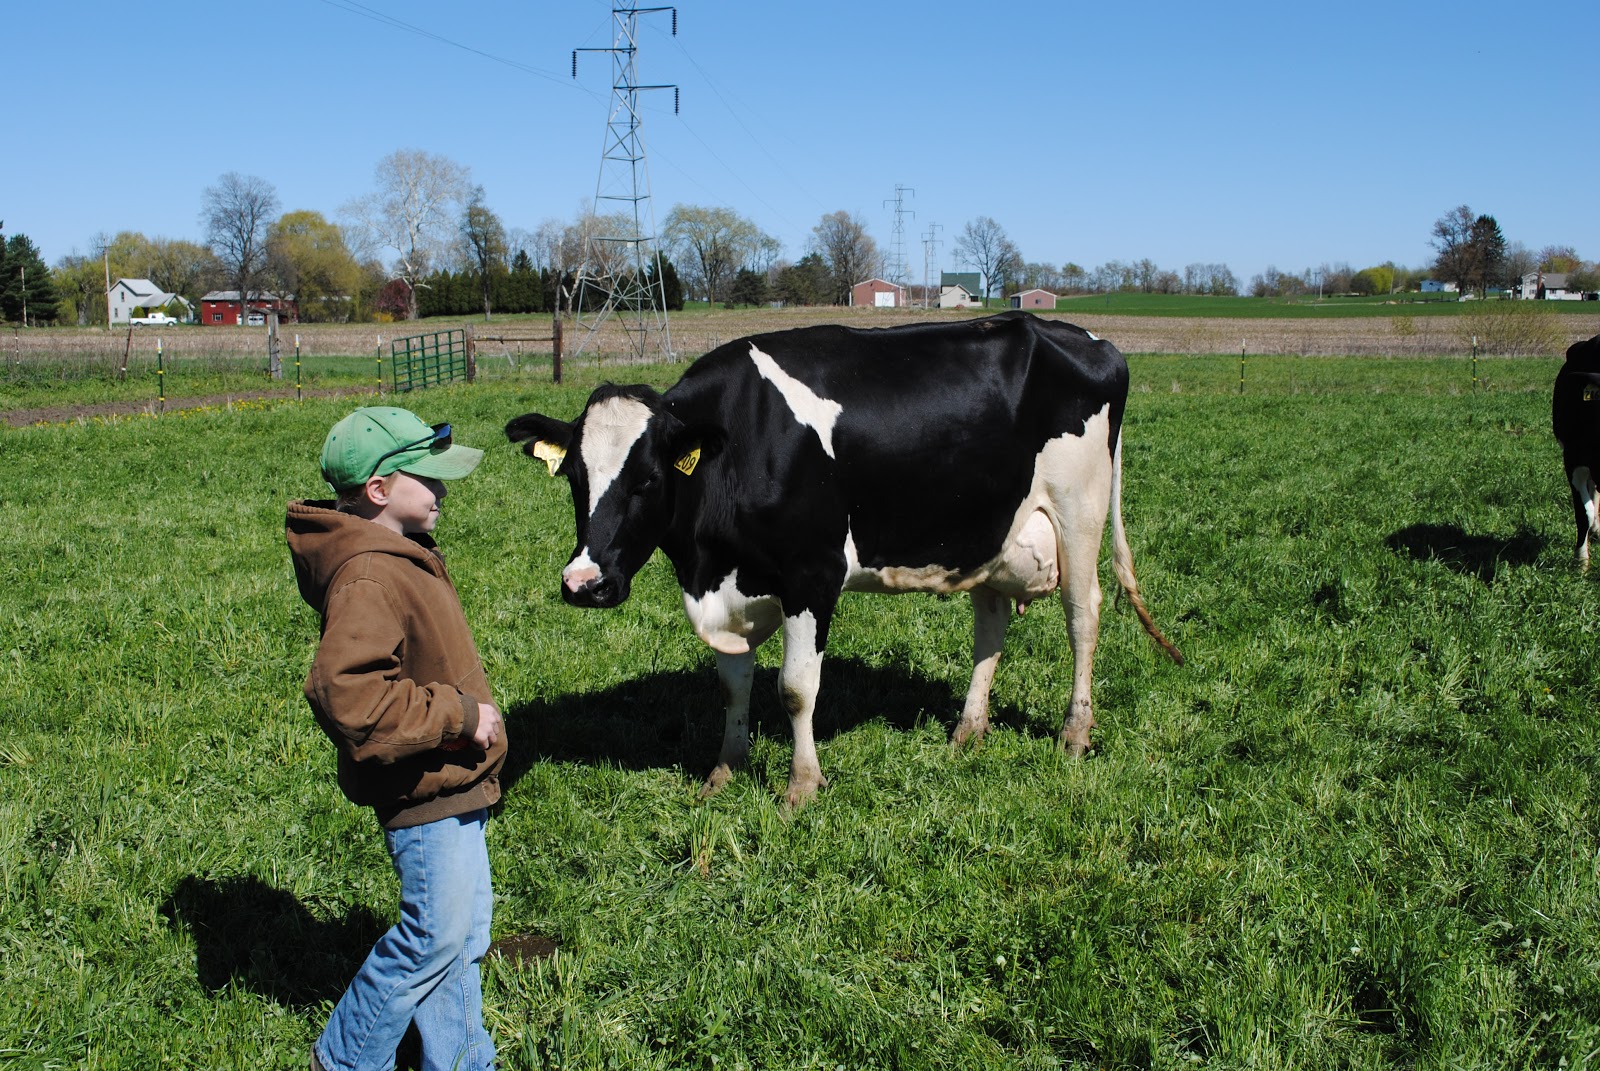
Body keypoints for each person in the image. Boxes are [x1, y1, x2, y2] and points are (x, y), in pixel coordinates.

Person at [286, 406, 507, 1071]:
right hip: (421, 787)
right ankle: (345, 1059)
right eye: (428, 478)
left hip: (451, 778)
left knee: (459, 938)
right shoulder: (368, 576)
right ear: (379, 489)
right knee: (431, 937)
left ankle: (462, 1061)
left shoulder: (398, 553)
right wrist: (457, 717)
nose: (442, 489)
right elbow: (350, 697)